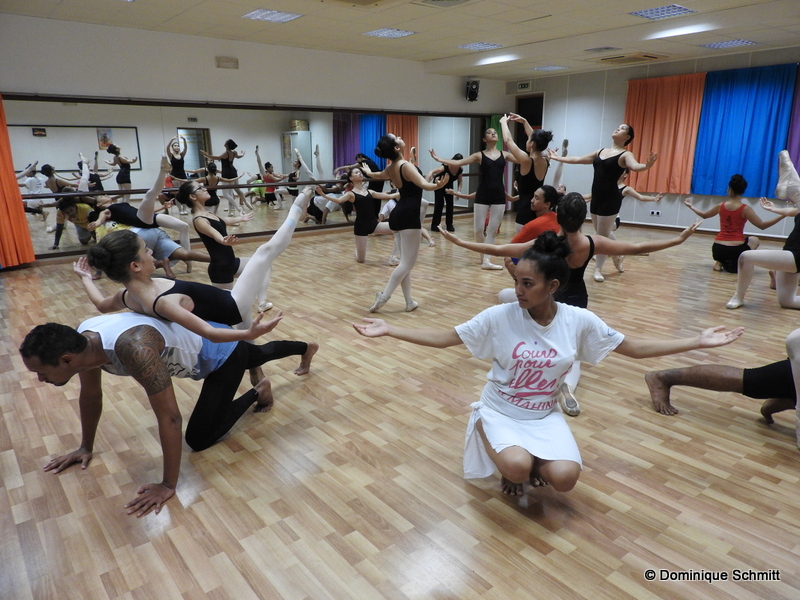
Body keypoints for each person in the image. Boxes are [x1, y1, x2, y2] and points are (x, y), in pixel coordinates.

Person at [354, 232, 743, 496]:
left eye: (528, 284)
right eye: (517, 281)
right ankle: (492, 437)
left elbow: (634, 347)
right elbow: (445, 337)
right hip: (501, 411)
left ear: (552, 286)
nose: (518, 291)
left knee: (566, 479)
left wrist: (696, 340)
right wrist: (391, 329)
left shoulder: (578, 320)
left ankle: (524, 462)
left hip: (542, 415)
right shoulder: (500, 316)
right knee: (516, 468)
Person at [20, 311, 315, 517]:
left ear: (66, 360)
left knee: (199, 438)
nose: (40, 379)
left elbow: (171, 417)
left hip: (220, 356)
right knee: (258, 353)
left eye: (40, 372)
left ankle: (260, 388)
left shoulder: (134, 350)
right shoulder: (84, 342)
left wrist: (167, 485)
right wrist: (85, 447)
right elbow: (91, 395)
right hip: (209, 337)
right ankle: (305, 348)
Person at [441, 192, 702, 416]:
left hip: (548, 299)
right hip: (577, 299)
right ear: (583, 219)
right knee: (572, 351)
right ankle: (567, 385)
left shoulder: (548, 243)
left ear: (558, 216)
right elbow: (636, 247)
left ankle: (538, 355)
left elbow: (501, 250)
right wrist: (678, 239)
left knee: (506, 296)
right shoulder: (591, 243)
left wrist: (460, 242)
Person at [549, 123, 657, 282]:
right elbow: (579, 159)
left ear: (627, 137)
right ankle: (618, 255)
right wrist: (558, 158)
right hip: (597, 198)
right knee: (601, 232)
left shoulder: (625, 154)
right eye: (618, 127)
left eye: (622, 128)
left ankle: (598, 269)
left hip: (610, 199)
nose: (618, 128)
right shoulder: (600, 151)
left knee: (601, 236)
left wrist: (646, 166)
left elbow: (634, 166)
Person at [362, 133, 449, 312]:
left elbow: (377, 175)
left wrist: (368, 172)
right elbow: (425, 185)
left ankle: (409, 302)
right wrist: (438, 186)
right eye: (397, 137)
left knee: (405, 263)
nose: (400, 136)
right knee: (407, 263)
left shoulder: (391, 167)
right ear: (396, 148)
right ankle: (384, 297)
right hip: (409, 216)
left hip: (398, 214)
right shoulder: (405, 166)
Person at [431, 128, 522, 270]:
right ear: (484, 139)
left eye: (495, 132)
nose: (493, 133)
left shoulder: (505, 154)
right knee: (478, 230)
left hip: (499, 194)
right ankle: (484, 256)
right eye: (489, 132)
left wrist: (541, 155)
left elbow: (523, 159)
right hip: (482, 194)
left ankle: (486, 260)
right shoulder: (479, 155)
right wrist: (439, 159)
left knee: (492, 230)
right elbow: (458, 163)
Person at [684, 174, 784, 273]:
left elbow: (704, 215)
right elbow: (762, 226)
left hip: (717, 249)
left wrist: (691, 206)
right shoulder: (746, 209)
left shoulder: (721, 206)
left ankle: (719, 262)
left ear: (729, 190)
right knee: (754, 239)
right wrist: (783, 215)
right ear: (742, 191)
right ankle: (741, 263)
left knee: (732, 249)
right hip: (735, 251)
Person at [314, 166, 398, 263]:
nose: (360, 174)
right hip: (361, 227)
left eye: (360, 172)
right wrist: (323, 195)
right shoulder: (351, 194)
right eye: (356, 172)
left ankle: (393, 257)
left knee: (398, 228)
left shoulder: (370, 192)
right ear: (351, 178)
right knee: (361, 260)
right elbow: (338, 200)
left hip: (374, 224)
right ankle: (357, 251)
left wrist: (404, 191)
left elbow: (389, 196)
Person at [500, 114, 553, 232]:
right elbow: (535, 138)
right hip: (538, 213)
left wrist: (503, 122)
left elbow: (508, 140)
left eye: (528, 139)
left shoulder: (526, 160)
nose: (527, 140)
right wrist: (524, 121)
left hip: (525, 213)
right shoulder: (545, 160)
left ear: (532, 144)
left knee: (523, 244)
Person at [201, 139, 250, 210]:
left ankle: (237, 207)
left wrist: (206, 155)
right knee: (237, 189)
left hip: (227, 173)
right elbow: (239, 156)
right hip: (233, 172)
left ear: (227, 145)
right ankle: (245, 202)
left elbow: (216, 158)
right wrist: (243, 153)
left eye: (226, 142)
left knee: (226, 194)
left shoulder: (226, 153)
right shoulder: (234, 152)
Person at [426, 154, 463, 233]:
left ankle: (449, 224)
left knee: (450, 204)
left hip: (449, 184)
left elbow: (460, 181)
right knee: (439, 203)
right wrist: (430, 173)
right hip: (439, 184)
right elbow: (435, 171)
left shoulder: (460, 169)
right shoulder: (445, 166)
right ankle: (435, 225)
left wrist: (459, 192)